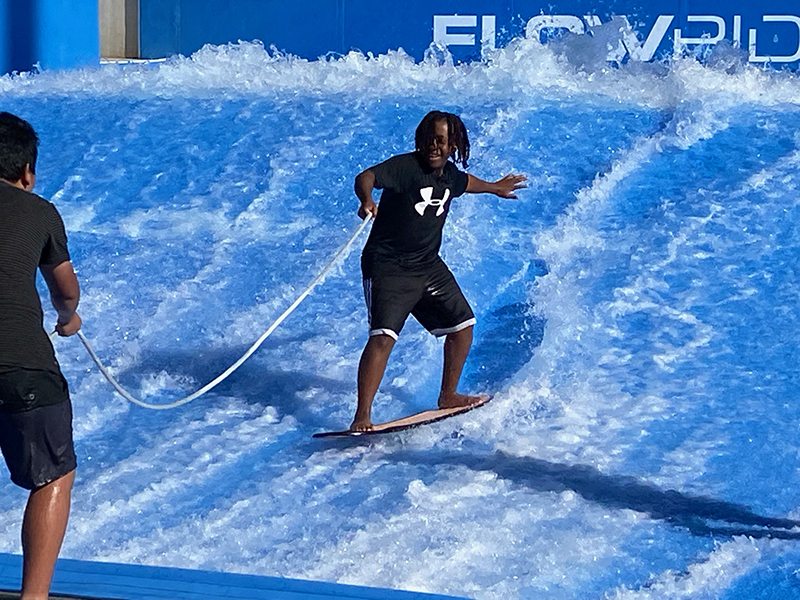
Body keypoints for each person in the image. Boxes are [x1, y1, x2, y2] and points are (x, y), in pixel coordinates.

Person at [351, 110, 527, 431]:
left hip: (428, 266)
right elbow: (367, 176)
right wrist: (367, 199)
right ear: (420, 140)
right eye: (430, 140)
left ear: (453, 145)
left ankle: (448, 395)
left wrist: (494, 187)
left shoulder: (449, 175)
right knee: (383, 338)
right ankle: (362, 415)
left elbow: (466, 183)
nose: (434, 147)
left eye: (442, 141)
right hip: (388, 266)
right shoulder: (404, 168)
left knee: (463, 325)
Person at [0, 112, 82, 600]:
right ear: (26, 171)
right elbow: (65, 289)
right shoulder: (40, 212)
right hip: (21, 361)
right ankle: (33, 598)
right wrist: (68, 315)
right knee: (53, 472)